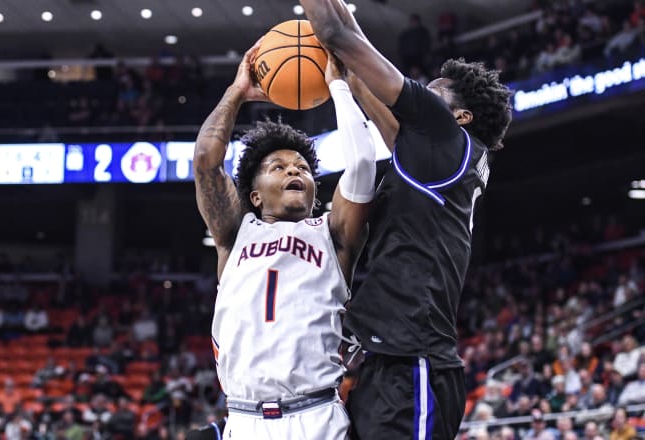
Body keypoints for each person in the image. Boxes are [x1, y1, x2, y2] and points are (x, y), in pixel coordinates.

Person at [299, 1, 513, 438]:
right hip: (391, 363)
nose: (418, 93)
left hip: (415, 365)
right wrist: (346, 73)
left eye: (432, 92)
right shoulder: (435, 156)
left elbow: (339, 37)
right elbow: (362, 77)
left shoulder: (443, 138)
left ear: (460, 116)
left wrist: (334, 29)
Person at [192, 40, 377, 440]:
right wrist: (236, 92)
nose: (294, 171)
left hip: (316, 415)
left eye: (303, 168)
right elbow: (207, 158)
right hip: (243, 420)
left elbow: (362, 162)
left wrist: (338, 87)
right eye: (278, 166)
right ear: (254, 195)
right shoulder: (234, 233)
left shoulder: (333, 233)